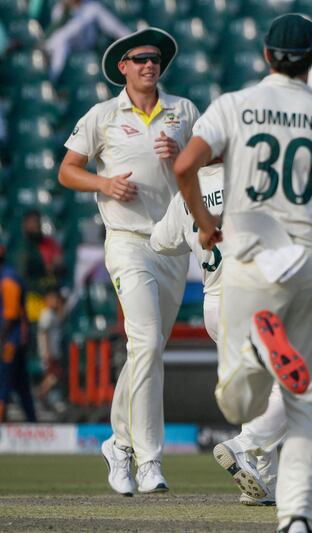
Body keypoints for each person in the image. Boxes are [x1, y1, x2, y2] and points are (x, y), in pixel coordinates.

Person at [173, 14, 312, 533]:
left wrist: (204, 224)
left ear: (267, 56)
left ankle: (253, 352)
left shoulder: (233, 106)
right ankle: (297, 517)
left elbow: (184, 168)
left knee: (237, 396)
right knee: (308, 404)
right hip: (310, 259)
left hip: (249, 257)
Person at [58, 27, 198, 495]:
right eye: (139, 58)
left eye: (155, 58)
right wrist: (104, 185)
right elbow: (67, 171)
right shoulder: (102, 115)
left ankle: (116, 443)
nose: (148, 64)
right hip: (126, 240)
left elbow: (207, 171)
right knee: (145, 340)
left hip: (173, 245)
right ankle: (149, 459)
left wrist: (182, 158)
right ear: (123, 66)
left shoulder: (183, 111)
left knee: (148, 350)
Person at [150, 162, 287, 507]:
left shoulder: (187, 191)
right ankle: (242, 446)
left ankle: (262, 484)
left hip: (214, 308)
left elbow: (159, 242)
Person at [45, 0, 129, 82]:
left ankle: (52, 79)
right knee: (59, 42)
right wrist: (66, 11)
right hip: (68, 48)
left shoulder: (93, 7)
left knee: (61, 40)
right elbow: (57, 32)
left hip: (89, 46)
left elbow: (115, 27)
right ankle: (52, 79)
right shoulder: (60, 9)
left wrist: (129, 39)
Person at [0, 240, 37, 423]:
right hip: (10, 339)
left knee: (4, 383)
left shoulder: (8, 279)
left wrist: (2, 339)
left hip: (9, 340)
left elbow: (11, 314)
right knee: (20, 383)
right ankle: (32, 421)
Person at [35, 288, 66, 406]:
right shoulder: (46, 314)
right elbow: (44, 333)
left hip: (54, 350)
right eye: (52, 299)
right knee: (54, 375)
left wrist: (60, 305)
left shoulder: (52, 313)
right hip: (49, 351)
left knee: (51, 375)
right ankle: (39, 394)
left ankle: (43, 399)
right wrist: (47, 352)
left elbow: (61, 316)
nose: (55, 301)